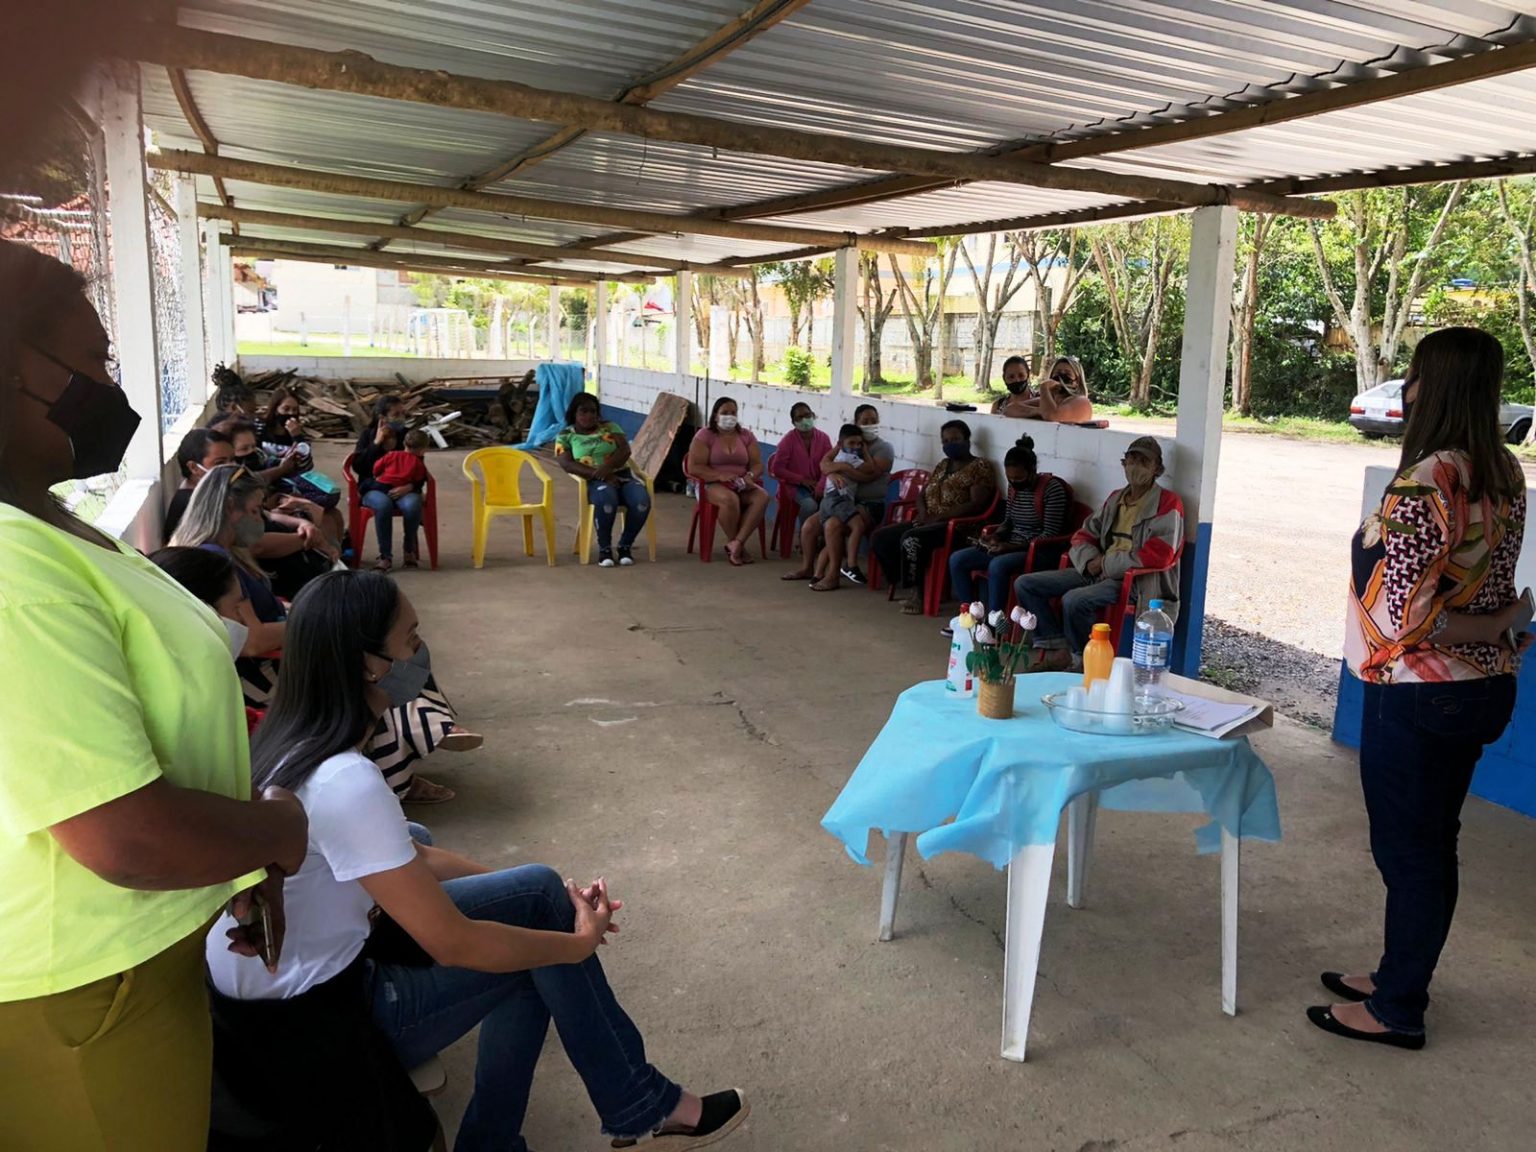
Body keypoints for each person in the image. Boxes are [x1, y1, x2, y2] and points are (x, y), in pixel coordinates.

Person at [206, 570, 750, 1151]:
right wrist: (576, 944)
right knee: (528, 959)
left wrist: (544, 902)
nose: (421, 654)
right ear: (367, 664)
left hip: (267, 1003)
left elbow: (411, 852)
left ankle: (624, 1106)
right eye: (411, 640)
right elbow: (455, 944)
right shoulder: (345, 779)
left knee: (534, 897)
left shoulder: (287, 741)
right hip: (321, 1021)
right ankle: (628, 1107)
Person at [0, 239, 308, 1151]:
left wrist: (232, 870)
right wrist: (277, 833)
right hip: (79, 994)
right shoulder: (12, 570)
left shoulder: (49, 523)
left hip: (131, 960)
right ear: (13, 370)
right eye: (92, 363)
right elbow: (123, 835)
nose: (110, 388)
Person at [1311, 327, 1529, 1051]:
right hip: (1479, 687)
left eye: (1413, 375)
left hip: (1417, 692)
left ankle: (1398, 1007)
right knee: (1434, 843)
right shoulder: (1502, 471)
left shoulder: (1426, 481)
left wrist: (1495, 620)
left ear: (1431, 387)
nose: (1404, 388)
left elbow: (1407, 619)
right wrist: (1500, 624)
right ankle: (1397, 975)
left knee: (1410, 852)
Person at [1013, 435, 1182, 669]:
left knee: (1074, 600)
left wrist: (1105, 564)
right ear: (1123, 464)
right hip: (1097, 568)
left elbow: (1159, 554)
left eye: (1144, 462)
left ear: (1157, 469)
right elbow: (1083, 534)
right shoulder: (1116, 498)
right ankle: (1057, 647)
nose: (1136, 467)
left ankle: (1084, 659)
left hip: (1132, 580)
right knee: (1025, 584)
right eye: (1132, 460)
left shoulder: (1168, 503)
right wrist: (1090, 560)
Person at [869, 420, 996, 613]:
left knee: (911, 539)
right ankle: (902, 580)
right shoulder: (943, 465)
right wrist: (923, 513)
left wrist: (940, 517)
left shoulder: (980, 466)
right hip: (928, 521)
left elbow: (977, 503)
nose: (950, 444)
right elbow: (923, 494)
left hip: (957, 527)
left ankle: (918, 594)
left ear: (967, 440)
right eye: (946, 441)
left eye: (955, 439)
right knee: (881, 537)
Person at [947, 434, 1071, 619]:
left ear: (1033, 470)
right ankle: (970, 617)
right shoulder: (1014, 488)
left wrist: (1011, 547)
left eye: (1019, 478)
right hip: (1010, 546)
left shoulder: (1052, 489)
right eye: (1009, 478)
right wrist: (995, 536)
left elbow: (1050, 534)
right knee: (957, 559)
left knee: (998, 565)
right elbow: (1008, 521)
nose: (1014, 482)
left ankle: (995, 623)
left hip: (1039, 552)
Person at [783, 402, 892, 588]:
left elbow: (870, 475)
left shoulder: (884, 448)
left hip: (869, 504)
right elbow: (824, 463)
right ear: (856, 423)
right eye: (865, 421)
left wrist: (842, 469)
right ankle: (807, 568)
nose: (870, 425)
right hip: (843, 500)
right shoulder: (847, 441)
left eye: (874, 421)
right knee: (809, 526)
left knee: (833, 525)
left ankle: (833, 575)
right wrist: (833, 473)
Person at [555, 393, 650, 567]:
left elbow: (625, 450)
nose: (589, 416)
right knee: (606, 499)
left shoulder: (610, 427)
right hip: (593, 480)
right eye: (584, 411)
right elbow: (567, 464)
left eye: (593, 411)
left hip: (622, 475)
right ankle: (605, 549)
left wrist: (607, 469)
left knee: (641, 501)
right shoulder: (566, 435)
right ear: (574, 413)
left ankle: (625, 546)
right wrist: (603, 475)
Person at [688, 396, 769, 566]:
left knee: (762, 497)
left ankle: (737, 543)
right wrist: (719, 475)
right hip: (711, 484)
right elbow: (694, 467)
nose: (730, 416)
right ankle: (737, 545)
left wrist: (750, 476)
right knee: (729, 499)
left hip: (740, 484)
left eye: (733, 413)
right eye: (725, 413)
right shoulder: (705, 436)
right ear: (715, 415)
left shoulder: (746, 436)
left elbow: (757, 464)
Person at [353, 396, 424, 572]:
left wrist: (409, 487)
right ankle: (385, 556)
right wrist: (376, 443)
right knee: (383, 505)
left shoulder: (407, 436)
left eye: (403, 414)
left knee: (413, 504)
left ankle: (409, 550)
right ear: (382, 417)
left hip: (404, 489)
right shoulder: (368, 435)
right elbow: (358, 467)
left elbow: (420, 469)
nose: (401, 418)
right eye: (396, 414)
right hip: (373, 488)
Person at [164, 424, 234, 541]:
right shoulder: (195, 503)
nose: (231, 467)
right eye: (220, 463)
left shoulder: (209, 492)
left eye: (232, 460)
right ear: (194, 467)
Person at [768, 400, 832, 524]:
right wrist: (802, 480)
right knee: (810, 505)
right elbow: (777, 469)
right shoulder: (787, 441)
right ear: (794, 422)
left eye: (807, 415)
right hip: (794, 486)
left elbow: (828, 465)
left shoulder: (824, 438)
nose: (805, 420)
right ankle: (805, 534)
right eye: (799, 417)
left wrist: (820, 486)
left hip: (819, 484)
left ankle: (820, 534)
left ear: (813, 415)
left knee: (829, 504)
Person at [1019, 355, 1094, 424]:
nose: (1061, 377)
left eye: (1067, 374)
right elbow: (1013, 408)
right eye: (1057, 373)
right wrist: (1038, 411)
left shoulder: (1082, 402)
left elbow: (1051, 416)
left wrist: (1044, 388)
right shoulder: (1048, 402)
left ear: (1077, 382)